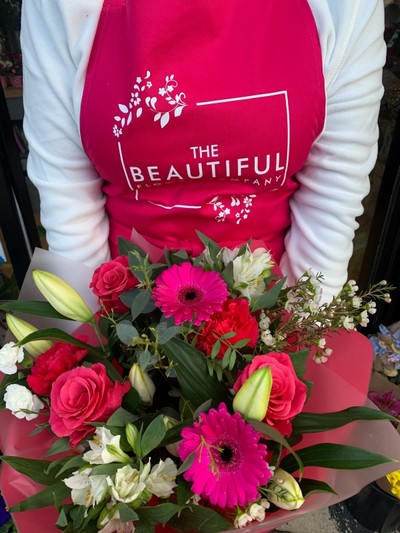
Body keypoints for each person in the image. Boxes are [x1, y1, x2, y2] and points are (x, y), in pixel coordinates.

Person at [0, 1, 389, 532]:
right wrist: (92, 390)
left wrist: (289, 390)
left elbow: (331, 203)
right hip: (122, 323)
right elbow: (69, 200)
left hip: (267, 330)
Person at [19, 0, 386, 303]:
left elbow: (332, 199)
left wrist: (298, 336)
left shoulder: (345, 6)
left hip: (274, 296)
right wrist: (95, 345)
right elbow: (67, 199)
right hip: (119, 300)